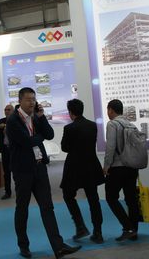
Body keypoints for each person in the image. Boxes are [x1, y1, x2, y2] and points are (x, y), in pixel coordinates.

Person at [6, 87, 81, 259]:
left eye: (33, 99)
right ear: (20, 101)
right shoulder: (13, 120)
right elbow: (27, 142)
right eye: (28, 99)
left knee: (47, 207)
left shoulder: (36, 117)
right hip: (23, 171)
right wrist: (39, 135)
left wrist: (41, 117)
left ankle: (58, 247)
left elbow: (50, 134)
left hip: (39, 168)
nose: (32, 102)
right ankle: (23, 246)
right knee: (22, 208)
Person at [60, 99, 105, 244]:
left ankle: (80, 227)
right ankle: (98, 232)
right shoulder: (92, 125)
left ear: (70, 112)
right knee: (93, 199)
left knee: (68, 195)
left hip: (74, 167)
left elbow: (65, 148)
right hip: (91, 165)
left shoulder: (69, 128)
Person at [103, 99, 139, 242]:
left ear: (111, 110)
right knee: (131, 199)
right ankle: (134, 231)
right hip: (132, 167)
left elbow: (110, 147)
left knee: (111, 198)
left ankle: (127, 227)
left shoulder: (112, 124)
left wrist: (106, 166)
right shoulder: (131, 125)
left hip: (117, 167)